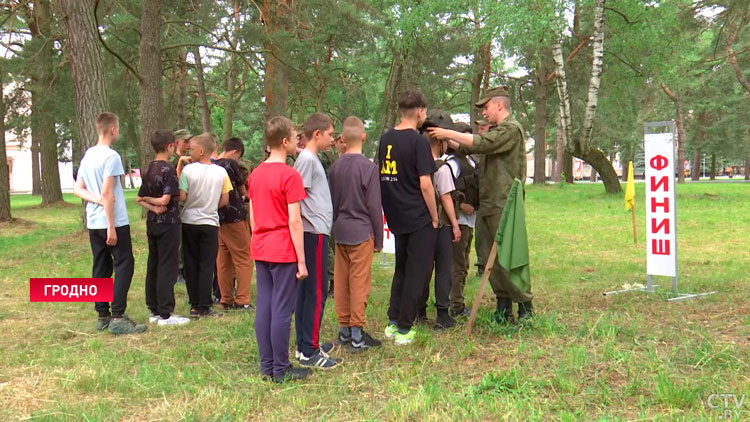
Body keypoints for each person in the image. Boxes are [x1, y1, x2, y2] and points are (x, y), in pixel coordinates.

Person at [428, 86, 533, 323]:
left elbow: (481, 143)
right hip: (488, 204)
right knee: (487, 257)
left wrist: (448, 133)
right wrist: (440, 136)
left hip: (504, 204)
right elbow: (467, 146)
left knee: (509, 257)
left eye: (486, 107)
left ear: (499, 105)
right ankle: (503, 305)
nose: (484, 113)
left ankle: (525, 307)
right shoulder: (496, 131)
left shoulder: (511, 130)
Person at [249, 116, 311, 383]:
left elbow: (252, 217)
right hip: (283, 248)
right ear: (284, 142)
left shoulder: (255, 173)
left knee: (264, 305)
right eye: (296, 135)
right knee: (282, 310)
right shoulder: (290, 174)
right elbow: (294, 221)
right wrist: (302, 261)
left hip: (260, 245)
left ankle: (267, 366)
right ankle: (281, 368)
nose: (299, 139)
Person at [73, 112, 146, 335]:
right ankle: (117, 316)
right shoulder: (111, 157)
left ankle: (102, 315)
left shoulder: (88, 155)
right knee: (124, 263)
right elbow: (107, 192)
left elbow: (78, 189)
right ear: (113, 129)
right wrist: (112, 226)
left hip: (94, 222)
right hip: (111, 221)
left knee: (101, 266)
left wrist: (96, 201)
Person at [379, 90, 439, 345]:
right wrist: (434, 217)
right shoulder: (418, 142)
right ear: (419, 111)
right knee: (418, 270)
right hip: (417, 214)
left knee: (402, 267)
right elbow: (425, 183)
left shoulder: (385, 139)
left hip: (396, 213)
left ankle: (393, 319)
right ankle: (405, 326)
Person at [329, 116, 384, 352]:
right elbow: (374, 206)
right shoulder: (369, 168)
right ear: (363, 136)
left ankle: (344, 329)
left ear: (342, 139)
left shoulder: (335, 167)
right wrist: (379, 239)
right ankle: (357, 336)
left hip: (340, 230)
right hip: (362, 232)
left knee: (341, 281)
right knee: (359, 282)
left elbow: (330, 202)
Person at [293, 113, 338, 369]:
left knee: (310, 291)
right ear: (317, 134)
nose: (333, 139)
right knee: (317, 292)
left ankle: (305, 343)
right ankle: (309, 350)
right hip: (313, 233)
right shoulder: (308, 160)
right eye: (330, 134)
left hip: (316, 232)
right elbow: (296, 198)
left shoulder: (310, 159)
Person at [135, 130, 189, 326]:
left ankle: (154, 309)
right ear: (169, 146)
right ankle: (166, 312)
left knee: (154, 263)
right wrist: (156, 203)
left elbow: (139, 199)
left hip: (153, 222)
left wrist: (152, 207)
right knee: (168, 265)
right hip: (169, 223)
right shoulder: (168, 170)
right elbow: (167, 199)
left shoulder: (148, 168)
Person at [178, 133, 232, 318]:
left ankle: (194, 305)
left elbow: (182, 196)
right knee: (206, 264)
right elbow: (224, 200)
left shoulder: (187, 171)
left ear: (201, 151)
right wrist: (210, 204)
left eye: (191, 149)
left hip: (189, 221)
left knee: (190, 263)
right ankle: (205, 304)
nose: (189, 152)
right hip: (210, 222)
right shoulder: (221, 172)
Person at [419, 110, 460, 330]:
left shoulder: (419, 166)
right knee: (443, 268)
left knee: (423, 269)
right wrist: (454, 225)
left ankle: (419, 310)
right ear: (441, 143)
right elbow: (445, 197)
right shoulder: (442, 168)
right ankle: (443, 313)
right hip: (441, 226)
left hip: (422, 225)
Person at [444, 123, 480, 318]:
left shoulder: (472, 161)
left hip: (470, 220)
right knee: (457, 266)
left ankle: (454, 299)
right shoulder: (451, 163)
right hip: (458, 221)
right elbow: (444, 191)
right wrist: (460, 206)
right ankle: (455, 304)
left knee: (464, 263)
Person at [214, 137, 254, 311]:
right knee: (244, 258)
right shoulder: (231, 164)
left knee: (223, 260)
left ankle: (226, 298)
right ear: (235, 152)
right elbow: (242, 190)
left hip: (217, 218)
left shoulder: (212, 165)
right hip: (235, 216)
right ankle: (242, 300)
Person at [171, 129, 192, 284]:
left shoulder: (191, 159)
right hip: (177, 202)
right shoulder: (173, 160)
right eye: (185, 141)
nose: (188, 144)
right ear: (177, 142)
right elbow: (175, 183)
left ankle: (185, 267)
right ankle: (177, 269)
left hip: (188, 201)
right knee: (178, 237)